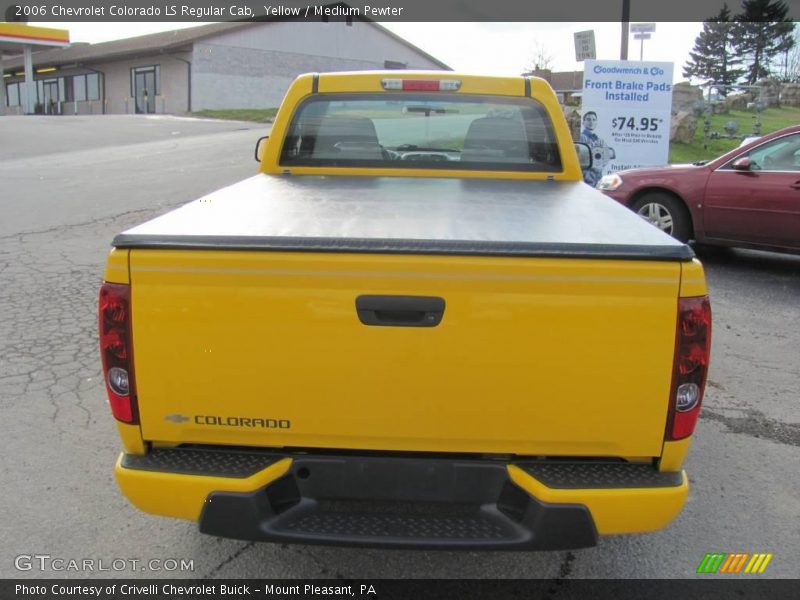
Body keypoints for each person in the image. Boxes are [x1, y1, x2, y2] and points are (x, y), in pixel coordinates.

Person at [579, 111, 615, 187]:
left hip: (598, 173)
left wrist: (600, 167)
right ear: (583, 122)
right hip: (587, 173)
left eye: (594, 119)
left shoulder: (599, 139)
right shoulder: (581, 138)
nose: (591, 122)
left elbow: (606, 156)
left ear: (596, 122)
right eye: (588, 119)